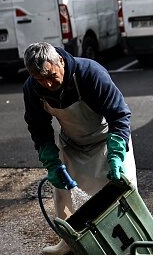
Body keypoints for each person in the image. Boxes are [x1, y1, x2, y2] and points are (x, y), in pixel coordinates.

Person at [23, 42, 137, 255]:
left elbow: (120, 114)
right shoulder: (32, 88)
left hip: (108, 140)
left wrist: (116, 154)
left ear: (61, 62)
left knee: (123, 190)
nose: (47, 84)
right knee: (62, 194)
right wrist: (50, 161)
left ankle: (131, 244)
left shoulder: (90, 73)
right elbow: (38, 127)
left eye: (50, 76)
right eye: (40, 79)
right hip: (73, 143)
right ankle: (67, 242)